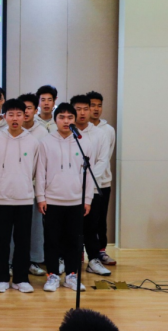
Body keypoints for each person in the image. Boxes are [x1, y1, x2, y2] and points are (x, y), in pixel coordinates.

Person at [36, 103, 94, 292]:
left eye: (70, 117)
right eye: (62, 117)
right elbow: (40, 172)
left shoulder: (83, 142)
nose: (66, 121)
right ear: (55, 120)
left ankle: (71, 275)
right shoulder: (46, 142)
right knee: (52, 240)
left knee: (74, 241)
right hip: (52, 200)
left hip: (76, 200)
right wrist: (41, 197)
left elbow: (88, 174)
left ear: (74, 120)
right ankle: (52, 275)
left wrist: (87, 199)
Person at [0, 99, 39, 294]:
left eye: (19, 114)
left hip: (24, 198)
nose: (15, 118)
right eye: (11, 114)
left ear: (25, 116)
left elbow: (35, 170)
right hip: (1, 199)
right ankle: (1, 278)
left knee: (23, 241)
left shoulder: (32, 141)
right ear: (5, 117)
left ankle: (21, 278)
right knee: (1, 241)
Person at [70, 95, 112, 277]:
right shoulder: (66, 132)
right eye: (78, 109)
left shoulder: (100, 134)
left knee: (91, 226)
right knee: (70, 226)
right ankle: (68, 260)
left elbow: (103, 160)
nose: (82, 113)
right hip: (69, 189)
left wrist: (88, 180)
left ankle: (93, 259)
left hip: (92, 187)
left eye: (85, 109)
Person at [15, 93, 49, 276]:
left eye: (29, 108)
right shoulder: (9, 131)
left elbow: (44, 162)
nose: (25, 112)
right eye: (23, 108)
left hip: (34, 187)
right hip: (13, 188)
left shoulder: (42, 132)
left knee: (35, 227)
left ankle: (34, 260)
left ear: (36, 111)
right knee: (14, 229)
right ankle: (13, 261)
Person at [86, 91, 117, 266]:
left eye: (99, 105)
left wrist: (95, 175)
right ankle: (81, 252)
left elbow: (107, 155)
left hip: (102, 182)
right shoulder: (80, 128)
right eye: (92, 105)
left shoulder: (108, 130)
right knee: (83, 220)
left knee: (100, 218)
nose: (96, 109)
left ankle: (101, 251)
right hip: (82, 183)